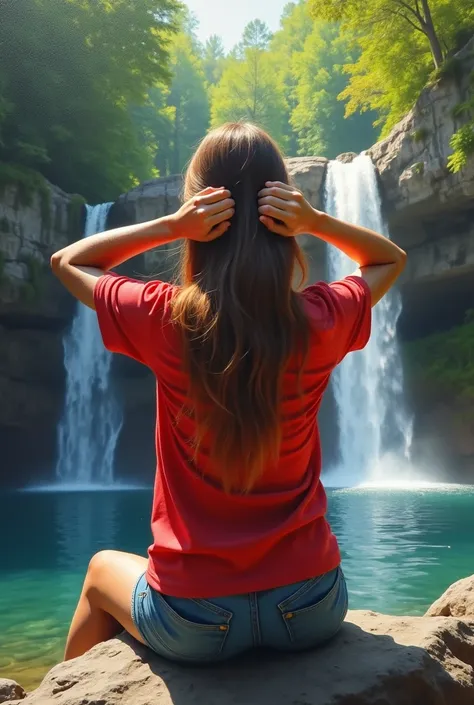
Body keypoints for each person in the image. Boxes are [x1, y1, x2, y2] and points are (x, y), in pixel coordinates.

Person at [51, 122, 406, 663]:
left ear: (200, 213)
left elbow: (69, 262)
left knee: (102, 568)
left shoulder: (161, 316)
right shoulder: (320, 317)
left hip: (193, 619)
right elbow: (388, 260)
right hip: (312, 605)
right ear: (281, 216)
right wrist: (313, 220)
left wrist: (173, 226)